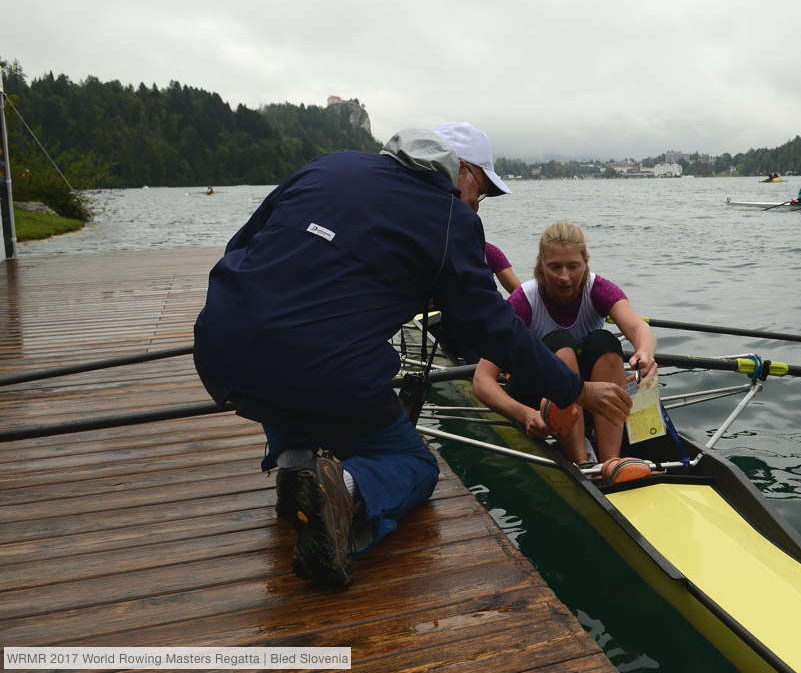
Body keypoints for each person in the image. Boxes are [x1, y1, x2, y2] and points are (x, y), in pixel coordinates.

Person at [193, 123, 632, 589]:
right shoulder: (449, 217)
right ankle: (343, 490)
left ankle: (295, 466)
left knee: (277, 352)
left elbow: (238, 248)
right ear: (460, 173)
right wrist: (575, 389)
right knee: (416, 467)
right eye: (478, 193)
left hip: (221, 342)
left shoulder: (329, 164)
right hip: (320, 369)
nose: (474, 207)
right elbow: (492, 327)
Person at [472, 221, 657, 473]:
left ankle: (611, 461)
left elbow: (637, 328)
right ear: (540, 266)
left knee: (605, 342)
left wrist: (644, 352)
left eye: (573, 266)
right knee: (561, 344)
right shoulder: (523, 300)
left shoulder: (600, 289)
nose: (564, 277)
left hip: (591, 401)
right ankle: (581, 461)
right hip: (540, 402)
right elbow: (482, 381)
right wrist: (524, 414)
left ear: (585, 263)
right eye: (554, 267)